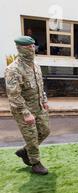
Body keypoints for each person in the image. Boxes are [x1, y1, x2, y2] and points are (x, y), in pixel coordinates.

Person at [5, 36, 50, 175]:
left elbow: (40, 85)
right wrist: (25, 112)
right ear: (21, 49)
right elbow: (14, 95)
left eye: (33, 46)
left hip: (38, 106)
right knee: (31, 136)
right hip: (23, 109)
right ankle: (35, 163)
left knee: (45, 131)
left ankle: (25, 151)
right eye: (30, 47)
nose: (33, 49)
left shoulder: (35, 66)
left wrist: (44, 100)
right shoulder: (13, 69)